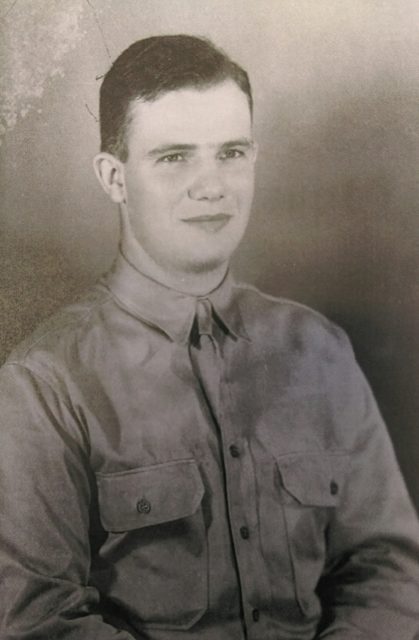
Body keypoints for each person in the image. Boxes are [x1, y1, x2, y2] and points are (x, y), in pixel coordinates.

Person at [0, 34, 418, 640]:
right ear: (113, 178)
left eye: (231, 152)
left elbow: (390, 567)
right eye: (174, 157)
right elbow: (37, 617)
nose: (211, 186)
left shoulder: (318, 350)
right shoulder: (45, 383)